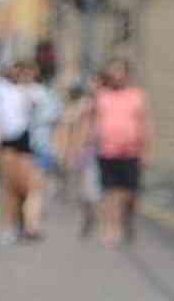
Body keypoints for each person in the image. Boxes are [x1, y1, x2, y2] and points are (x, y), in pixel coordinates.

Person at [0, 60, 51, 243]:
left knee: (31, 187)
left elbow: (41, 109)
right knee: (11, 187)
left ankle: (27, 224)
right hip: (9, 142)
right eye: (20, 71)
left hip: (30, 144)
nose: (23, 75)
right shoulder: (3, 90)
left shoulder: (37, 92)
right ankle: (11, 225)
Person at [93, 57, 153, 247]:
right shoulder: (101, 95)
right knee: (110, 192)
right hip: (107, 151)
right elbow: (93, 121)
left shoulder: (137, 95)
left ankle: (126, 221)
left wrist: (147, 151)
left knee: (129, 194)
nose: (115, 75)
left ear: (127, 75)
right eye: (112, 71)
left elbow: (146, 123)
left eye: (119, 71)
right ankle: (112, 229)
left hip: (131, 151)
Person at [56, 80, 101, 236]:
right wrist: (65, 152)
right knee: (81, 190)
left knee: (90, 188)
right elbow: (65, 129)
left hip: (92, 152)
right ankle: (87, 216)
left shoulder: (91, 105)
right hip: (79, 152)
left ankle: (90, 217)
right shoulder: (76, 108)